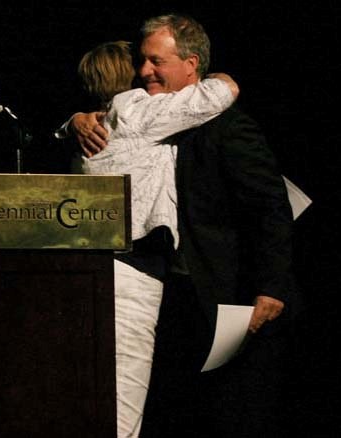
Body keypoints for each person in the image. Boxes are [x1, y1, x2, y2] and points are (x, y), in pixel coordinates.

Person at [66, 13, 298, 437]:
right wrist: (75, 120)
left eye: (156, 62)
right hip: (174, 294)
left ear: (191, 65)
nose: (143, 72)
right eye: (142, 61)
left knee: (234, 413)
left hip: (228, 297)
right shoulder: (146, 116)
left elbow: (271, 206)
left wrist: (272, 286)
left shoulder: (228, 126)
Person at [63, 40, 238, 438]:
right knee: (125, 389)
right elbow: (220, 92)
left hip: (96, 263)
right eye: (142, 64)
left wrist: (71, 119)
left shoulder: (97, 122)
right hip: (130, 268)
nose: (148, 70)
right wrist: (218, 76)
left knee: (91, 385)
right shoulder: (137, 109)